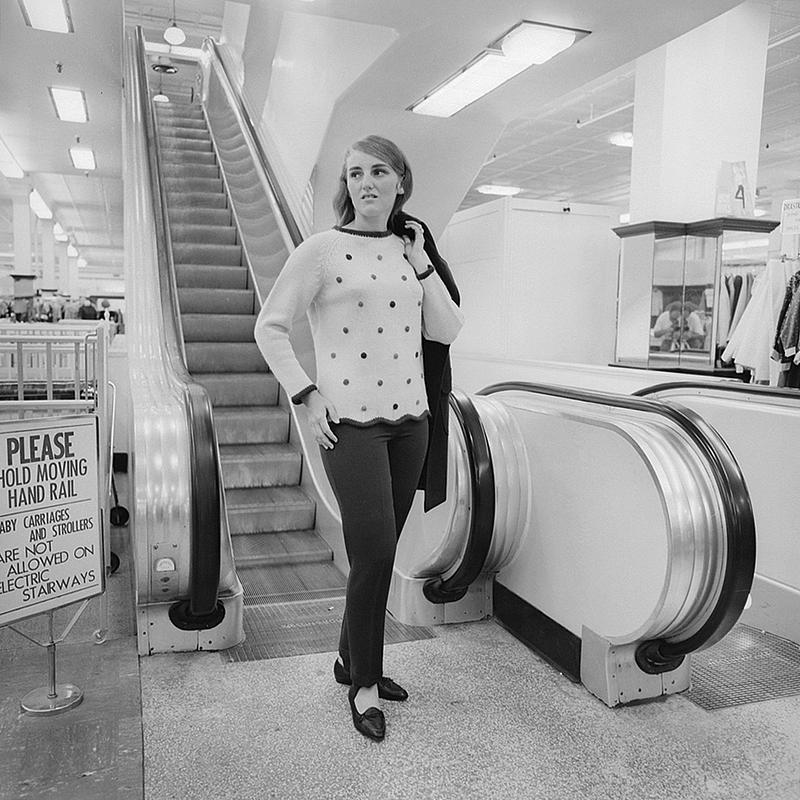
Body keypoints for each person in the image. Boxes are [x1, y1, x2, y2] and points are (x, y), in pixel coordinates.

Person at [254, 135, 464, 741]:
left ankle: (352, 657)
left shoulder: (411, 251)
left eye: (378, 171)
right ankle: (365, 685)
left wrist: (422, 260)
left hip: (412, 424)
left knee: (382, 551)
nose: (365, 182)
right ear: (345, 187)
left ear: (401, 180)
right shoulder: (321, 251)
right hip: (350, 427)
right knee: (372, 553)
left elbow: (447, 329)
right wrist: (305, 390)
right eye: (354, 174)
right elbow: (270, 327)